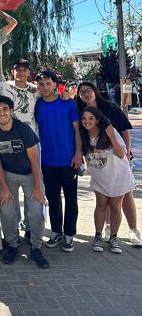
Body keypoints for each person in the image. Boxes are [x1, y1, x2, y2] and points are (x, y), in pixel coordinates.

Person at [0, 96, 49, 269]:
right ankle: (12, 244)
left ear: (11, 111)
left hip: (30, 175)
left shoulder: (23, 130)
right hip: (8, 175)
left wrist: (37, 187)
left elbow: (35, 161)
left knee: (36, 211)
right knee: (6, 209)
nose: (2, 113)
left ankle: (36, 247)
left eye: (5, 109)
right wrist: (3, 188)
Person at [76, 81, 142, 247]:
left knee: (124, 196)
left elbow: (125, 130)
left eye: (88, 90)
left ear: (95, 91)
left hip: (118, 157)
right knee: (103, 200)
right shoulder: (81, 113)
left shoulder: (110, 108)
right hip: (100, 165)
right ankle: (107, 229)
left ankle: (133, 230)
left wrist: (126, 153)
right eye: (81, 92)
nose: (85, 94)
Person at [34, 70, 82, 252]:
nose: (45, 87)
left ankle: (69, 234)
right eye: (41, 84)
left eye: (48, 83)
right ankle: (56, 232)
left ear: (55, 84)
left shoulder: (67, 103)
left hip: (68, 160)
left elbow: (77, 131)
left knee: (71, 199)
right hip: (47, 161)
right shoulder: (37, 105)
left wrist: (78, 153)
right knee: (53, 199)